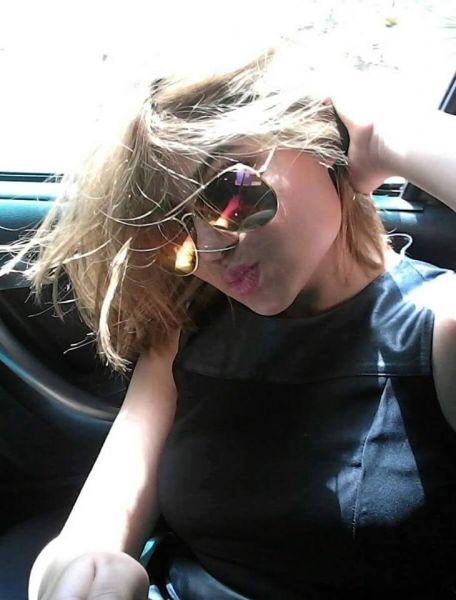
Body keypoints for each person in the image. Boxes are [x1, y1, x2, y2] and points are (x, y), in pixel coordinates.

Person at [2, 40, 456, 599]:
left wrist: (391, 134)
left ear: (319, 143)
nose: (210, 249)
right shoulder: (188, 332)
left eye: (230, 193)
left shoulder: (440, 328)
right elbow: (100, 519)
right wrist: (81, 572)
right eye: (174, 231)